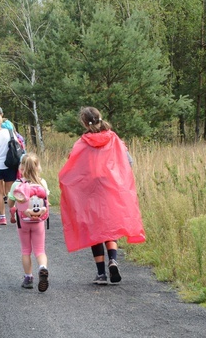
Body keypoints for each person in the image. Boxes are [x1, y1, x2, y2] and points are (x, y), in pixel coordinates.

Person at [58, 106, 146, 285]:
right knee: (109, 225)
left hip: (90, 191)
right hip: (111, 189)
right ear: (100, 117)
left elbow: (73, 164)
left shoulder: (82, 143)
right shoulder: (114, 139)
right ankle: (113, 260)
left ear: (84, 122)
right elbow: (129, 161)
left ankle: (101, 274)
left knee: (94, 229)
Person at [7, 153, 50, 292]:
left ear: (21, 168)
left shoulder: (17, 184)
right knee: (40, 250)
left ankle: (28, 277)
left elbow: (10, 202)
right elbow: (46, 199)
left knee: (26, 250)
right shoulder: (41, 183)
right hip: (38, 221)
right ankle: (43, 268)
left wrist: (13, 205)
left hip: (23, 221)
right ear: (37, 167)